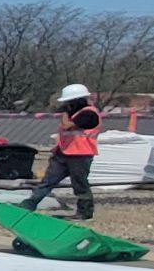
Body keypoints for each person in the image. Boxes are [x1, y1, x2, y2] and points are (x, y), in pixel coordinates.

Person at [23, 82, 102, 220]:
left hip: (80, 155)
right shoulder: (75, 112)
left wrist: (65, 111)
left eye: (69, 102)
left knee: (80, 184)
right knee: (47, 181)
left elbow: (67, 126)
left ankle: (85, 212)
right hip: (63, 154)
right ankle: (28, 205)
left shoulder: (89, 114)